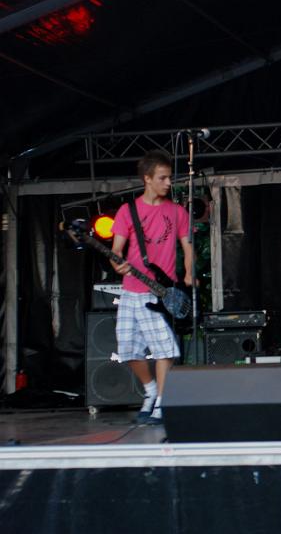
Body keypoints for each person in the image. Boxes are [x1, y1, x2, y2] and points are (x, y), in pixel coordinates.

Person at [110, 150, 193, 425]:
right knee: (128, 350)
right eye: (163, 178)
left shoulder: (177, 211)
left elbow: (187, 245)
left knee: (164, 349)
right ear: (147, 179)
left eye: (170, 177)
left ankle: (162, 403)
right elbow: (116, 250)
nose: (169, 182)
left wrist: (190, 274)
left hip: (160, 291)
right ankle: (151, 391)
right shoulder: (127, 211)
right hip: (130, 289)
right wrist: (117, 265)